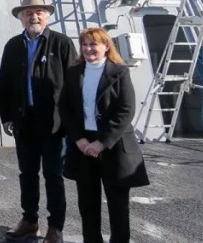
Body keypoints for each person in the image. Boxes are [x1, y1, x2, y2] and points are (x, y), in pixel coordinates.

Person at [0, 0, 77, 243]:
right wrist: (7, 117)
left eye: (39, 12)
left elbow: (74, 83)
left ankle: (55, 227)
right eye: (29, 13)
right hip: (24, 123)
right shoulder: (13, 46)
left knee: (53, 175)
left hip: (54, 124)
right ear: (21, 18)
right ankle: (30, 220)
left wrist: (70, 121)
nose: (34, 16)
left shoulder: (62, 44)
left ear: (47, 16)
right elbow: (5, 84)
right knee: (27, 174)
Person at [60, 27, 149, 243]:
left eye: (94, 44)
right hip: (83, 144)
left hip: (113, 145)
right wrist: (79, 138)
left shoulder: (119, 71)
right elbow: (65, 108)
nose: (89, 48)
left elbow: (126, 110)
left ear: (106, 46)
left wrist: (102, 142)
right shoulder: (74, 72)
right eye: (85, 44)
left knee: (118, 203)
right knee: (87, 203)